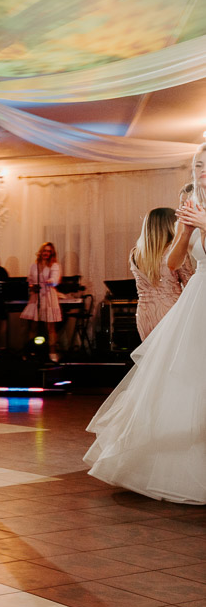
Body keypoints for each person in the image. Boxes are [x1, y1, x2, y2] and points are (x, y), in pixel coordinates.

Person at [84, 143, 206, 504]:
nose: (202, 171)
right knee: (183, 378)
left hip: (187, 301)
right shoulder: (192, 208)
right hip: (195, 299)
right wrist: (185, 231)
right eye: (198, 165)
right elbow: (174, 263)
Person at [130, 206, 193, 340]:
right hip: (171, 311)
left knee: (151, 352)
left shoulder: (135, 253)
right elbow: (191, 285)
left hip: (144, 314)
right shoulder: (174, 252)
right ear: (171, 225)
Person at [20, 241, 62, 362]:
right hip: (36, 296)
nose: (46, 253)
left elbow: (55, 280)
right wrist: (32, 286)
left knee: (50, 327)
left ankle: (52, 352)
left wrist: (48, 282)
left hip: (48, 296)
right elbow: (29, 280)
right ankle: (31, 351)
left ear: (51, 253)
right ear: (41, 252)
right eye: (44, 250)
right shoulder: (34, 266)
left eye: (49, 251)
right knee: (33, 326)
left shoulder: (54, 265)